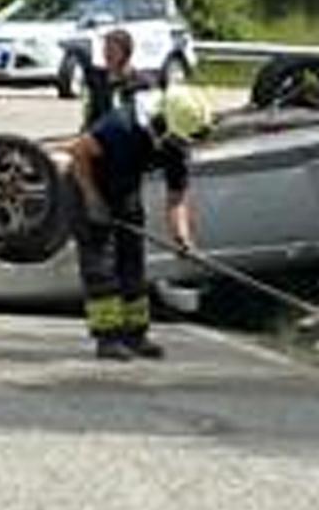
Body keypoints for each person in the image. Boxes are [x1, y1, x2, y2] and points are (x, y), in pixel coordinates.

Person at [64, 84, 213, 361]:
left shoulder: (175, 145)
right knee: (102, 267)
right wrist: (94, 202)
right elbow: (79, 154)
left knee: (132, 263)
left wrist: (182, 237)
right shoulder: (121, 126)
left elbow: (176, 198)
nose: (181, 148)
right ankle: (107, 339)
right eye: (179, 141)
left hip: (124, 191)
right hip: (87, 186)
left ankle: (136, 335)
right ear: (162, 122)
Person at [77, 27, 153, 131]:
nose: (107, 54)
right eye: (105, 49)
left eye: (112, 50)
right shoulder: (97, 80)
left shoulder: (140, 83)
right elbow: (92, 115)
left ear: (125, 53)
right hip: (100, 136)